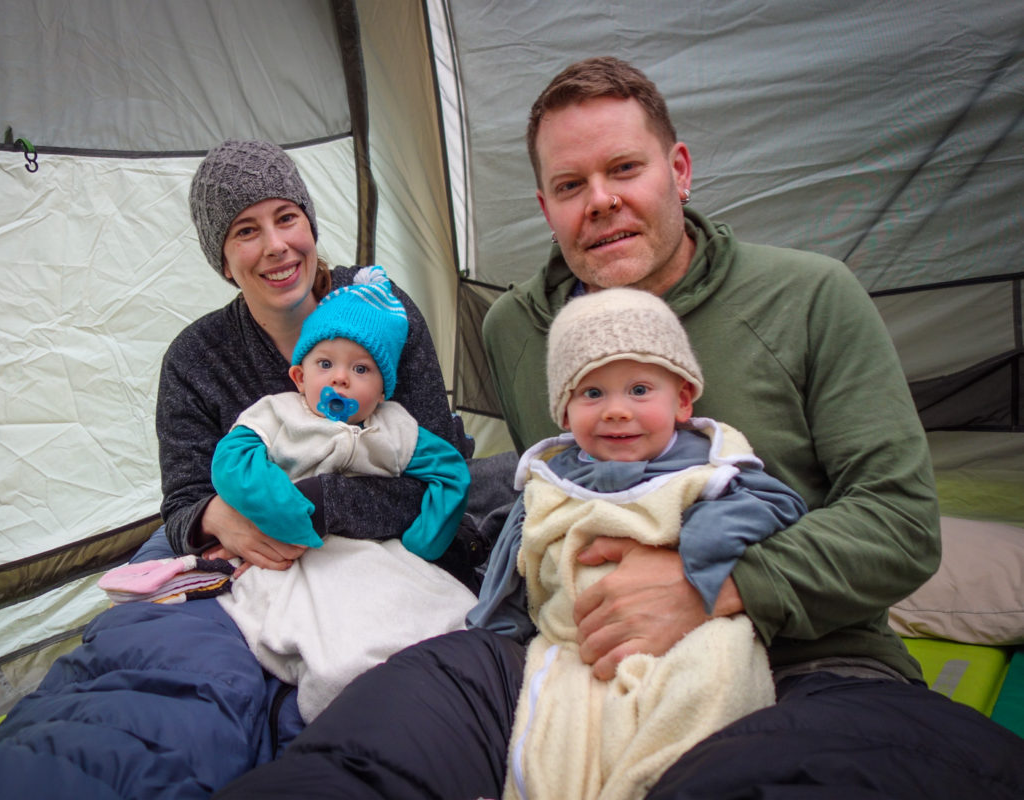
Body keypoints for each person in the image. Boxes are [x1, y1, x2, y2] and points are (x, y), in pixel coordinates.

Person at [213, 60, 1024, 800]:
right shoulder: (518, 329)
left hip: (803, 661)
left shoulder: (811, 297)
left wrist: (712, 584)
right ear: (545, 206)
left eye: (624, 169)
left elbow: (903, 523)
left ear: (678, 170)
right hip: (565, 652)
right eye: (570, 184)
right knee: (378, 735)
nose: (599, 200)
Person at [0, 140, 483, 800]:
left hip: (357, 543)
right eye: (245, 231)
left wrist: (313, 505)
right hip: (235, 552)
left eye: (287, 218)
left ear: (311, 223)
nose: (276, 246)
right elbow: (186, 501)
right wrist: (215, 515)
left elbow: (434, 468)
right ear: (223, 261)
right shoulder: (195, 357)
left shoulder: (378, 311)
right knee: (158, 684)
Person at [102, 265, 477, 723]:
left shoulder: (394, 427)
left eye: (360, 369)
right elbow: (233, 460)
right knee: (333, 644)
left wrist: (426, 539)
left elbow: (449, 471)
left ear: (382, 390)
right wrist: (285, 509)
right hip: (287, 549)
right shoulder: (280, 414)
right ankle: (350, 699)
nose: (340, 379)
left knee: (451, 616)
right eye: (326, 365)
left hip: (381, 550)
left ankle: (446, 689)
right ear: (298, 377)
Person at [472, 287, 806, 800]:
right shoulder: (550, 479)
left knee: (719, 669)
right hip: (573, 645)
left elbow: (777, 506)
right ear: (564, 412)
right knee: (551, 736)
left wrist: (698, 551)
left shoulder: (709, 468)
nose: (616, 411)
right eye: (592, 394)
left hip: (689, 633)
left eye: (640, 390)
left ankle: (657, 777)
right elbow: (516, 554)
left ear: (683, 399)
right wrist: (492, 628)